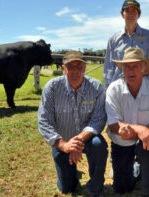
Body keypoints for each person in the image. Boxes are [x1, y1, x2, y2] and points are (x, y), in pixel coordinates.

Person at [37, 51, 108, 197]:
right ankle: (72, 174)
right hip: (62, 141)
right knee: (66, 188)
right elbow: (44, 121)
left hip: (87, 138)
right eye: (70, 67)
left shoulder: (97, 87)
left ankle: (95, 188)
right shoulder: (52, 87)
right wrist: (63, 145)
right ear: (63, 69)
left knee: (98, 145)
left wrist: (78, 140)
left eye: (79, 66)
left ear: (85, 68)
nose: (75, 71)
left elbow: (99, 118)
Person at [105, 47, 149, 196]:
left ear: (144, 69)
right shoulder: (113, 89)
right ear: (122, 70)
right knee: (122, 187)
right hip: (121, 141)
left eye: (135, 66)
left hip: (144, 141)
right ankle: (135, 169)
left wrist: (132, 130)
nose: (131, 70)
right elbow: (113, 126)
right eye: (127, 67)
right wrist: (139, 129)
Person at [104, 0, 149, 88]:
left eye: (134, 11)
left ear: (138, 14)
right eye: (127, 11)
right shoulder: (113, 39)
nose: (130, 14)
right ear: (122, 14)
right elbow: (109, 65)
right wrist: (108, 86)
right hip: (119, 86)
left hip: (142, 86)